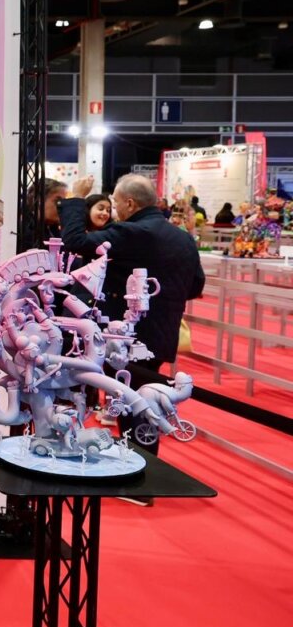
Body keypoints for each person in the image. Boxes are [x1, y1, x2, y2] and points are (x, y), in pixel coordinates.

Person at [61, 174, 205, 464]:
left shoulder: (133, 232)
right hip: (161, 333)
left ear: (129, 203)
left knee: (135, 403)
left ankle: (142, 471)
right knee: (139, 399)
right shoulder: (183, 238)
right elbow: (196, 286)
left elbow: (76, 241)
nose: (113, 209)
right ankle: (138, 465)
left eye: (115, 203)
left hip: (128, 338)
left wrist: (76, 197)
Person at [35, 177, 67, 243]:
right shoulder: (23, 231)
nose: (62, 206)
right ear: (38, 201)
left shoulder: (53, 228)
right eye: (58, 201)